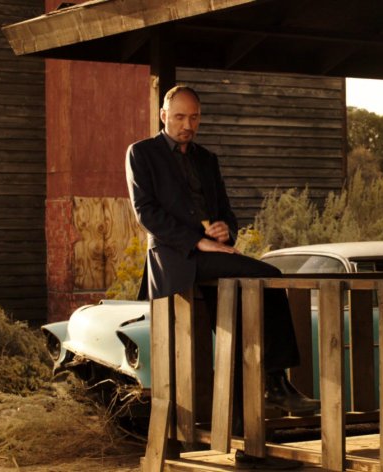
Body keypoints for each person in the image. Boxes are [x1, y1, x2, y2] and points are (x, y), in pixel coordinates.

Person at [126, 85, 316, 469]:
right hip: (176, 260)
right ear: (164, 115)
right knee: (269, 275)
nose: (187, 124)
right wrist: (197, 240)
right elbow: (146, 213)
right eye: (180, 117)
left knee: (246, 333)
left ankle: (250, 441)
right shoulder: (141, 152)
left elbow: (227, 211)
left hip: (213, 257)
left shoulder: (207, 159)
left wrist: (224, 231)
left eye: (194, 117)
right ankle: (276, 381)